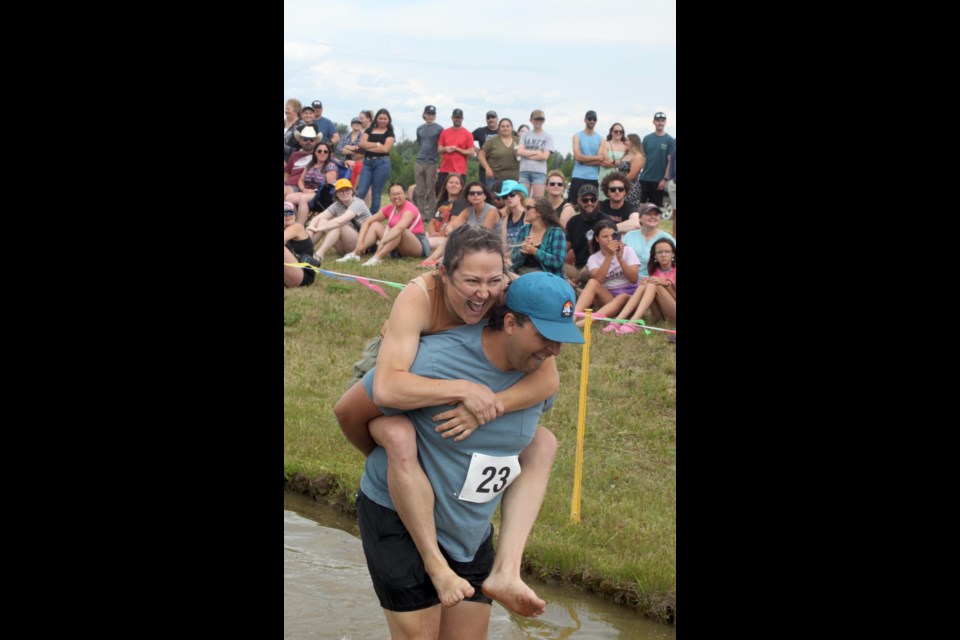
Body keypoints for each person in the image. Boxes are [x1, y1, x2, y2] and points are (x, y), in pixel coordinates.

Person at [333, 226, 567, 620]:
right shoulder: (420, 294)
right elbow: (386, 388)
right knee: (395, 432)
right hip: (397, 363)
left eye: (493, 281)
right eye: (471, 281)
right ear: (445, 274)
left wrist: (486, 405)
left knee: (543, 441)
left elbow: (548, 380)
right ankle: (431, 560)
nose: (483, 292)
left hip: (469, 371)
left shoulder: (509, 295)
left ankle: (506, 570)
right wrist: (461, 389)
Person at [341, 183, 430, 267]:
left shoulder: (410, 209)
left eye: (399, 193)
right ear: (389, 196)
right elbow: (367, 222)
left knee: (399, 231)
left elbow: (400, 227)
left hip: (415, 244)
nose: (396, 197)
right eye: (393, 194)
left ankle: (377, 257)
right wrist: (360, 242)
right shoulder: (389, 208)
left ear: (405, 194)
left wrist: (383, 241)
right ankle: (355, 253)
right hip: (396, 243)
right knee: (375, 224)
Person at [573, 220, 640, 327]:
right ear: (597, 239)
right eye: (605, 236)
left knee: (622, 296)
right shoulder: (593, 258)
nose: (610, 239)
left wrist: (620, 258)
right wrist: (609, 256)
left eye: (612, 235)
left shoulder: (628, 251)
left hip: (629, 298)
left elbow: (634, 279)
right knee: (592, 282)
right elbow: (598, 280)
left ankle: (583, 323)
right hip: (608, 298)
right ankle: (573, 318)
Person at [606, 237, 676, 334]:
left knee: (655, 284)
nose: (663, 255)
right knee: (646, 284)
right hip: (661, 316)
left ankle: (632, 322)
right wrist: (644, 285)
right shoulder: (654, 271)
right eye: (659, 252)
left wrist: (667, 285)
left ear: (673, 254)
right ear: (655, 255)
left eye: (667, 252)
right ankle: (617, 321)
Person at [307, 179, 372, 260]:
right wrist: (310, 228)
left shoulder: (358, 203)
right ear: (336, 194)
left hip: (361, 244)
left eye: (347, 190)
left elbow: (340, 221)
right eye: (341, 191)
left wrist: (317, 229)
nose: (344, 193)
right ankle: (305, 249)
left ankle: (319, 254)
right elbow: (318, 217)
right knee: (321, 221)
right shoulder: (337, 204)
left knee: (339, 224)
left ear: (352, 191)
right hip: (345, 245)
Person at [562, 184, 612, 287]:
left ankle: (575, 285)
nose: (589, 203)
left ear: (597, 201)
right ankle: (575, 285)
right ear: (579, 200)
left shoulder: (606, 221)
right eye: (585, 200)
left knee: (586, 273)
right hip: (577, 268)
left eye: (593, 200)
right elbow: (564, 249)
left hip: (599, 266)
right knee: (556, 266)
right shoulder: (573, 222)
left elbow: (610, 250)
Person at [284, 141, 338, 225]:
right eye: (319, 151)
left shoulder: (330, 166)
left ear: (328, 154)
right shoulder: (310, 165)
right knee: (288, 198)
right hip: (307, 192)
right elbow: (301, 180)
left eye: (325, 151)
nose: (322, 153)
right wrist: (303, 189)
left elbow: (329, 185)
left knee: (303, 199)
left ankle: (300, 226)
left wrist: (314, 191)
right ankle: (293, 222)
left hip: (321, 194)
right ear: (315, 153)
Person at [511, 199, 567, 277]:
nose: (525, 211)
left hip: (547, 277)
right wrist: (522, 252)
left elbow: (558, 262)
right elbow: (513, 258)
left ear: (539, 212)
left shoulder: (556, 233)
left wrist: (535, 251)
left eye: (528, 208)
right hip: (521, 274)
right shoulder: (523, 230)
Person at [355, 108, 396, 214]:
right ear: (376, 119)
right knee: (361, 191)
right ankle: (353, 213)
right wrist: (377, 144)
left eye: (384, 119)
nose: (382, 121)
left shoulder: (390, 134)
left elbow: (385, 149)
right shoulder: (369, 130)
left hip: (382, 163)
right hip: (367, 163)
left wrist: (368, 146)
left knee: (376, 192)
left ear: (388, 120)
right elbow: (361, 144)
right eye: (380, 118)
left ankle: (372, 216)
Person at [621, 203, 676, 275]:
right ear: (640, 218)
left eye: (656, 214)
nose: (653, 217)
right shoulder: (629, 235)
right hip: (628, 279)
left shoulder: (667, 238)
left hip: (655, 281)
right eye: (649, 214)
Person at [637, 112, 675, 208]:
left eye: (662, 121)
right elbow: (642, 157)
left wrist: (665, 179)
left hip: (659, 181)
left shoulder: (670, 140)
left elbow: (670, 162)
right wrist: (638, 175)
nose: (660, 123)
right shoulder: (647, 138)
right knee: (640, 207)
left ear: (665, 122)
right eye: (658, 121)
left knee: (654, 209)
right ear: (654, 122)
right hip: (644, 178)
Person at [568, 110, 603, 205]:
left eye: (594, 119)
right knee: (572, 204)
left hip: (593, 178)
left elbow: (600, 160)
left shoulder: (601, 139)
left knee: (591, 205)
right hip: (577, 176)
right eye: (590, 118)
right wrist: (594, 158)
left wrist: (583, 160)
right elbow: (577, 156)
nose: (592, 121)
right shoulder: (577, 136)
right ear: (585, 120)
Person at [414, 105, 443, 221]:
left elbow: (441, 145)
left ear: (435, 116)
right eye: (428, 114)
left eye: (432, 114)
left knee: (430, 190)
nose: (430, 116)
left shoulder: (439, 129)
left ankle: (431, 215)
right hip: (419, 161)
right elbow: (421, 143)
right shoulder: (419, 128)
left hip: (432, 162)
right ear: (424, 114)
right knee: (420, 190)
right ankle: (421, 214)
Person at [517, 110, 554, 198]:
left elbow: (545, 156)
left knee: (537, 200)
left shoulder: (548, 136)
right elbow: (519, 151)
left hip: (539, 172)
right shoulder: (525, 135)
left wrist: (527, 155)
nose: (538, 121)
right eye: (536, 119)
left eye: (541, 119)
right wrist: (536, 152)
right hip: (524, 171)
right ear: (531, 120)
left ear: (544, 121)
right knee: (523, 198)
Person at [437, 108, 475, 193]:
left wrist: (457, 149)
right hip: (444, 169)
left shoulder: (468, 134)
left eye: (459, 117)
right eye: (456, 117)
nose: (457, 119)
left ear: (462, 118)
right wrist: (445, 149)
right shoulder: (444, 132)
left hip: (459, 170)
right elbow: (439, 150)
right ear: (452, 118)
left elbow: (471, 152)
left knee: (458, 195)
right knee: (441, 193)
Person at [284, 202, 319, 288]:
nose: (288, 215)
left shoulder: (297, 227)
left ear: (295, 215)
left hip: (302, 275)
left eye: (290, 212)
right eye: (284, 213)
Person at [478, 118, 520, 184]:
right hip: (495, 179)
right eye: (502, 126)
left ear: (512, 128)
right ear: (499, 128)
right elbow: (481, 155)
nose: (505, 128)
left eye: (508, 126)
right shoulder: (492, 141)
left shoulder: (519, 141)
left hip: (515, 179)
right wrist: (487, 168)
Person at [497, 180, 530, 257]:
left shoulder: (527, 216)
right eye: (505, 196)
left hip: (524, 257)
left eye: (512, 194)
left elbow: (527, 242)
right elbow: (504, 245)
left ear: (520, 195)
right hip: (509, 258)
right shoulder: (506, 219)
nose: (508, 198)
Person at [283, 127, 319, 197]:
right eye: (305, 139)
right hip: (289, 186)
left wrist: (346, 161)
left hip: (303, 188)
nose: (308, 142)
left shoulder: (320, 154)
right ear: (300, 141)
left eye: (311, 140)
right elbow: (287, 173)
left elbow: (334, 161)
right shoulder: (294, 155)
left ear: (315, 142)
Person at [597, 122, 627, 201]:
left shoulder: (626, 146)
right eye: (616, 131)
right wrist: (618, 164)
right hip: (605, 177)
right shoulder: (605, 143)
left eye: (621, 132)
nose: (618, 133)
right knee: (603, 202)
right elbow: (602, 161)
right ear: (611, 132)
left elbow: (626, 164)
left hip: (620, 179)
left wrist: (611, 161)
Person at [472, 110, 500, 186]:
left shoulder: (503, 130)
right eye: (488, 118)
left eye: (493, 117)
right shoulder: (480, 131)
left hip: (500, 166)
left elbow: (516, 138)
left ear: (497, 118)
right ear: (486, 120)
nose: (491, 119)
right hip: (484, 166)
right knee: (485, 189)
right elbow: (466, 138)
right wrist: (476, 149)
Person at [620, 133, 646, 211]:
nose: (625, 142)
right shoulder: (626, 154)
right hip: (621, 185)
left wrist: (618, 180)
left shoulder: (638, 156)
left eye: (627, 140)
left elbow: (632, 175)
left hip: (631, 187)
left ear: (633, 142)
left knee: (629, 209)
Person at [667, 140, 676, 238]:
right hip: (673, 183)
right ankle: (674, 238)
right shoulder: (674, 141)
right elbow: (672, 160)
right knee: (675, 213)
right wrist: (671, 177)